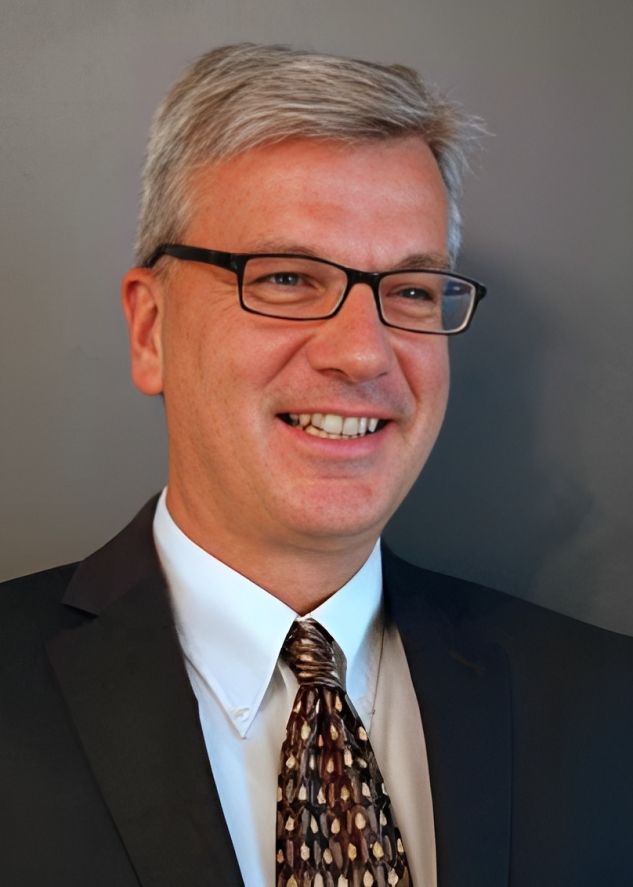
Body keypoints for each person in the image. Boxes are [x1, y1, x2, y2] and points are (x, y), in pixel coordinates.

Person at [1, 43, 631, 887]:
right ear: (151, 329)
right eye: (288, 277)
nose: (362, 353)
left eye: (409, 289)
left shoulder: (606, 707)